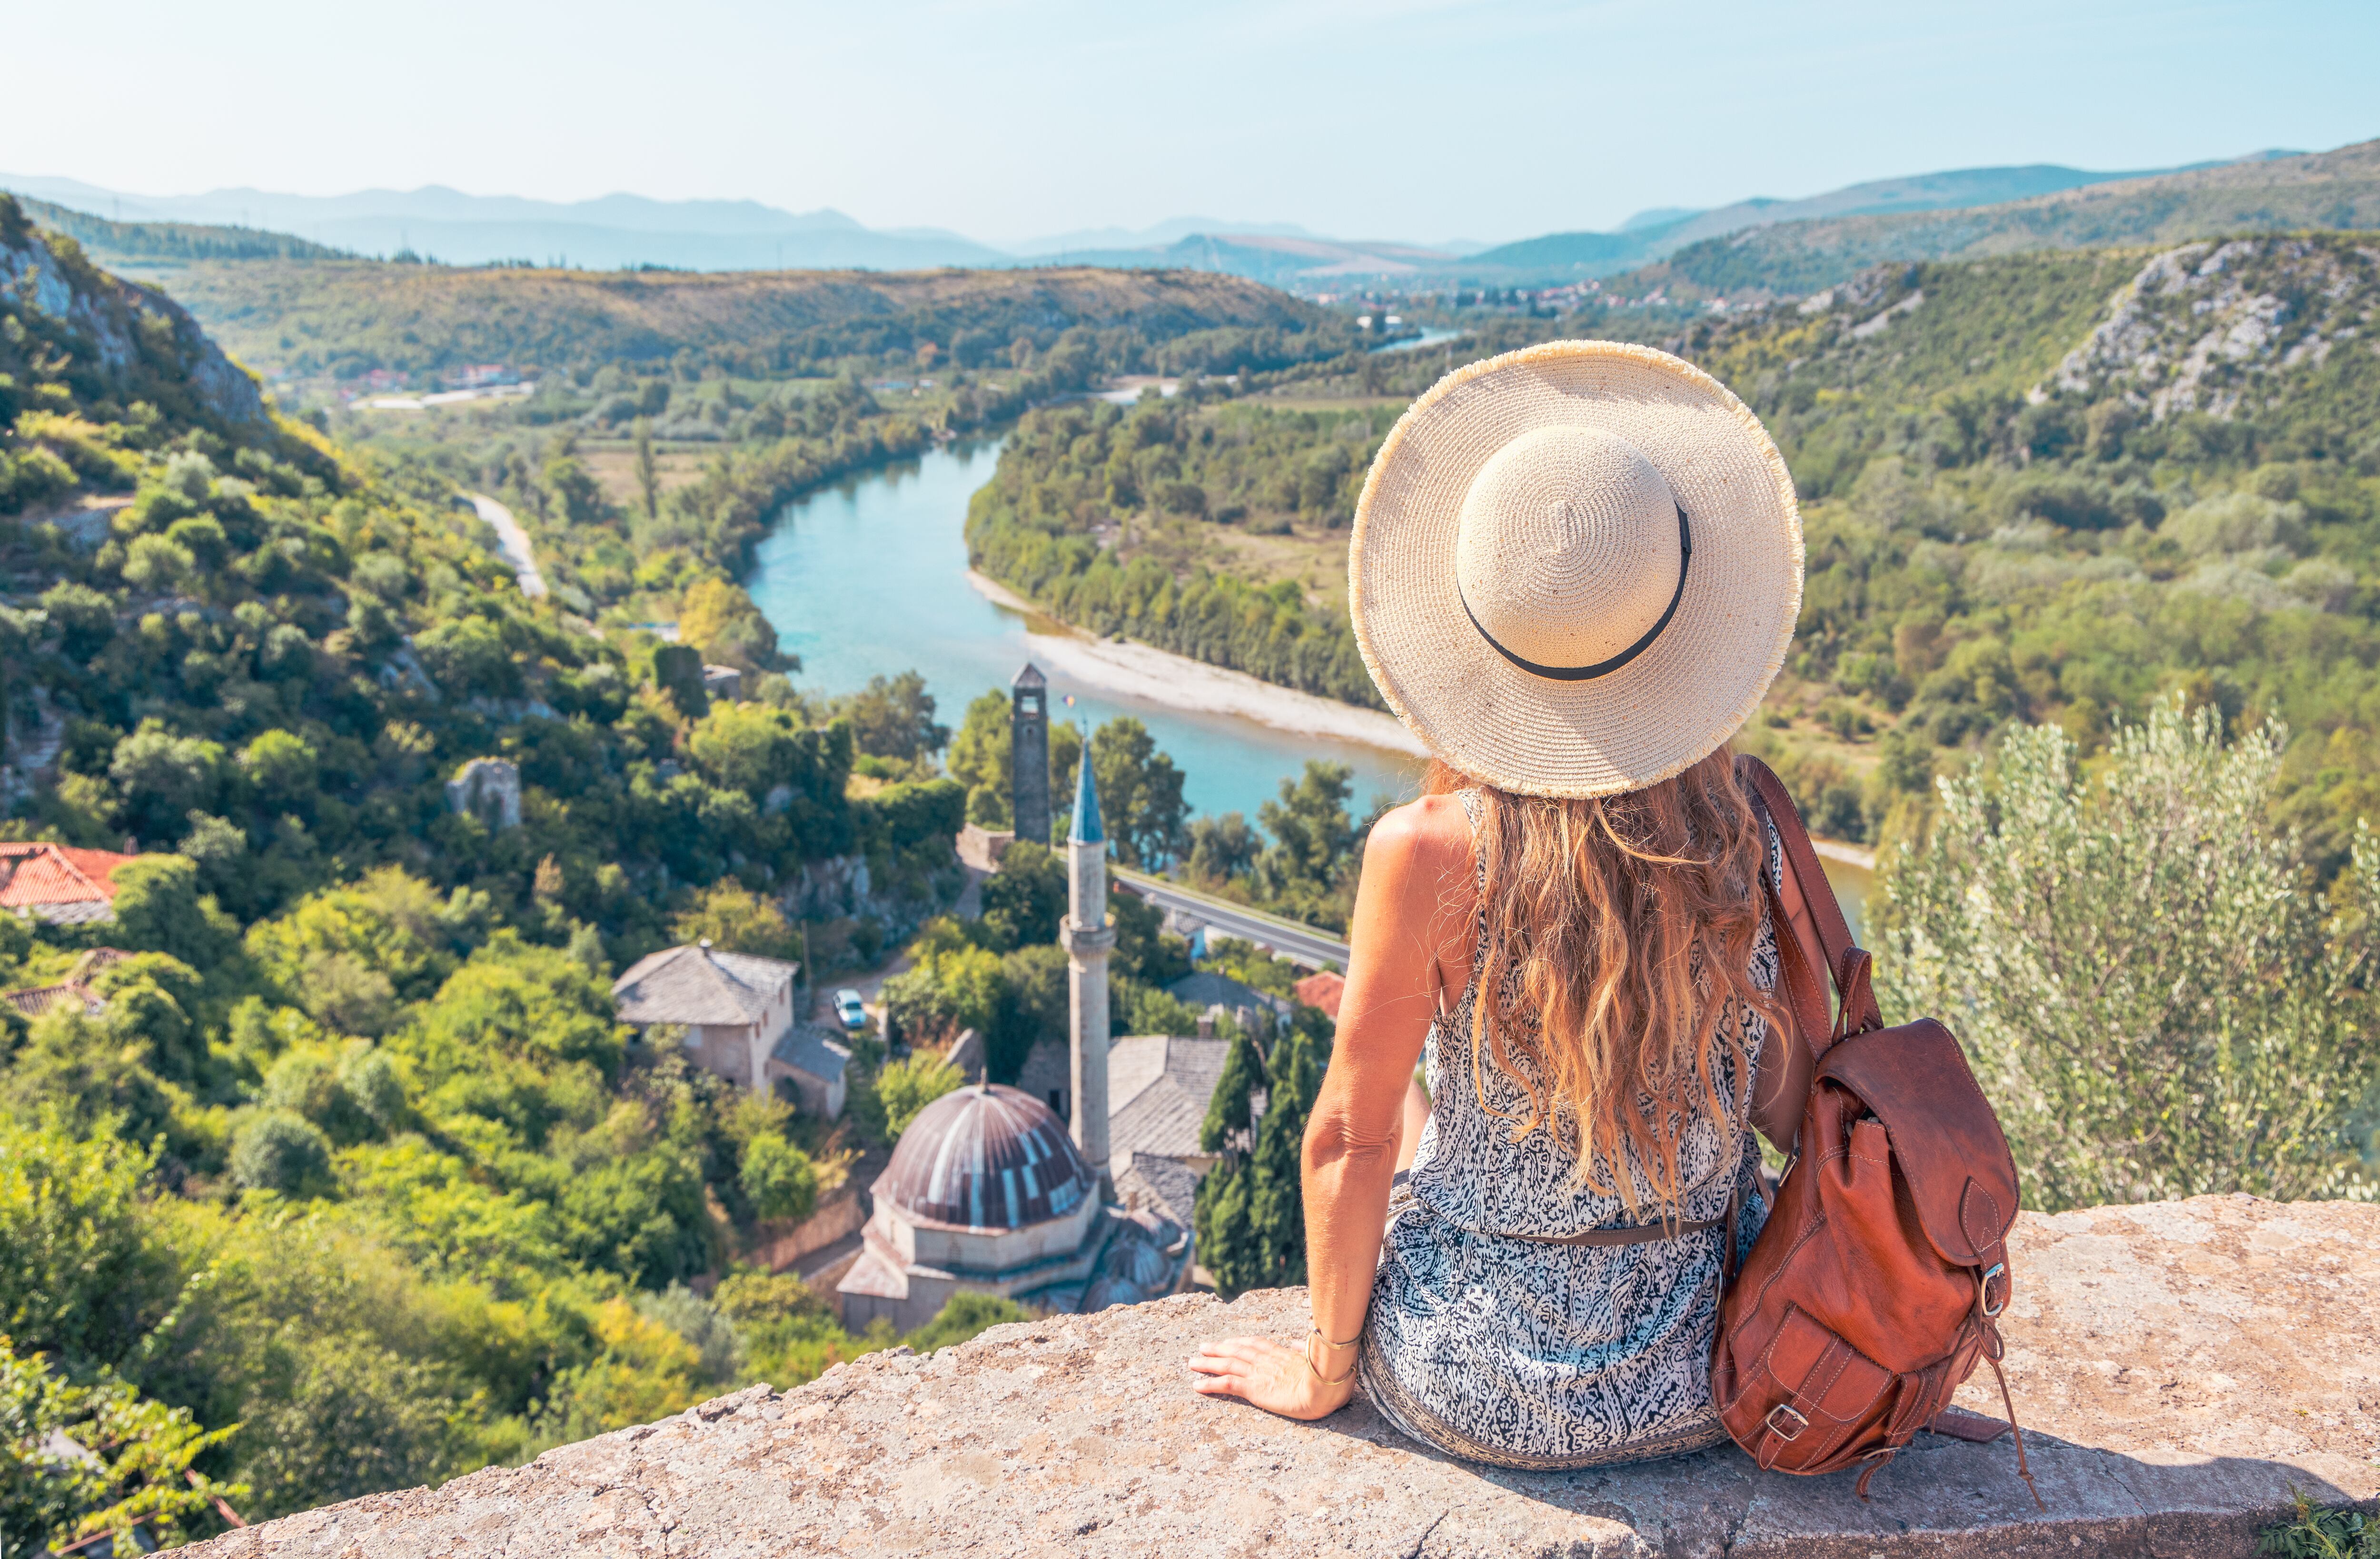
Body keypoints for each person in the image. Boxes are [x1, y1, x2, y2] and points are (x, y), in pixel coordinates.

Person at [1189, 339, 1826, 1469]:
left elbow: (1348, 1134)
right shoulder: (1754, 827)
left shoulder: (1429, 854)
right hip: (1716, 1372)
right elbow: (1791, 1111)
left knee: (1415, 1115)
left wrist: (1322, 1371)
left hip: (1475, 1383)